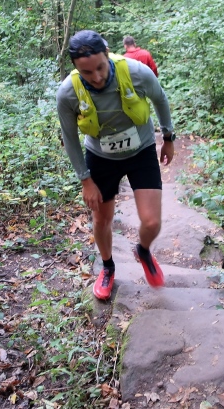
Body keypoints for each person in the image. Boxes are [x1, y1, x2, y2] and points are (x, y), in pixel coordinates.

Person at [56, 30, 176, 300]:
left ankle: (143, 250)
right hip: (100, 158)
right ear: (75, 67)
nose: (97, 77)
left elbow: (160, 98)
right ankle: (108, 267)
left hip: (141, 150)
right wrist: (85, 180)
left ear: (108, 54)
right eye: (87, 72)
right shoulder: (67, 93)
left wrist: (168, 137)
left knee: (152, 221)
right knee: (102, 219)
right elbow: (70, 138)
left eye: (100, 67)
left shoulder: (136, 72)